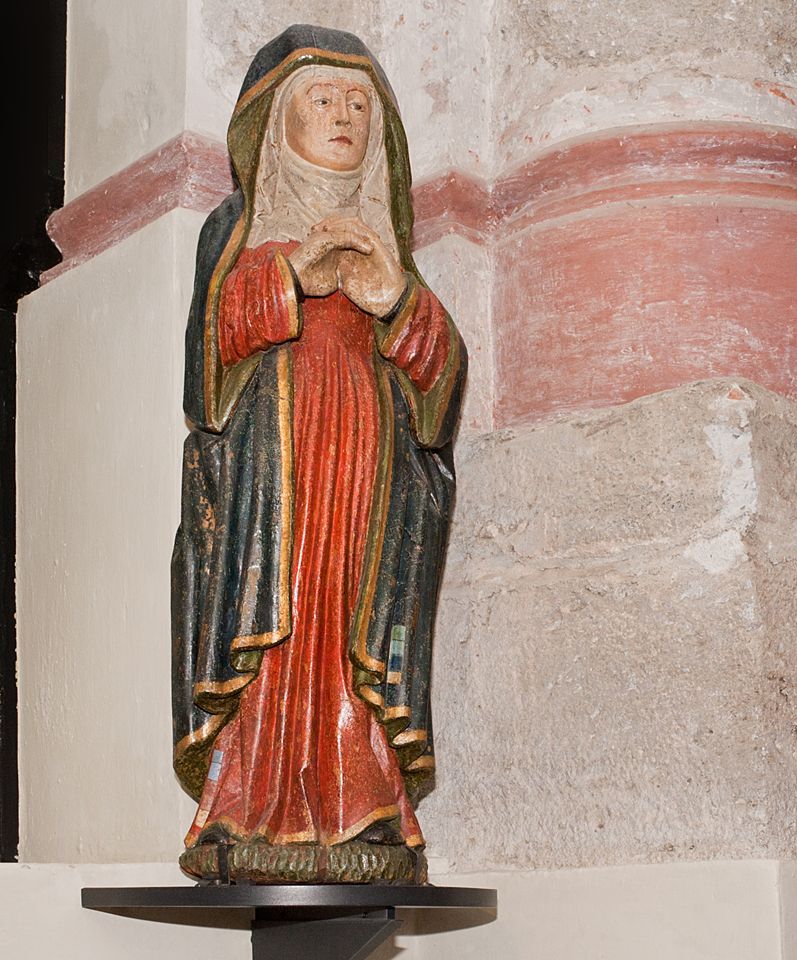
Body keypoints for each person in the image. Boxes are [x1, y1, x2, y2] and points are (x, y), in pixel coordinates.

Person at [171, 25, 465, 884]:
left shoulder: (390, 248)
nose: (344, 117)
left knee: (352, 628)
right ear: (277, 122)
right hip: (272, 477)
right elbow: (206, 368)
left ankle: (361, 807)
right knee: (279, 618)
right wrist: (290, 276)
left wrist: (395, 299)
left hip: (368, 472)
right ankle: (248, 809)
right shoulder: (237, 233)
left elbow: (441, 383)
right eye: (323, 100)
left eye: (360, 104)